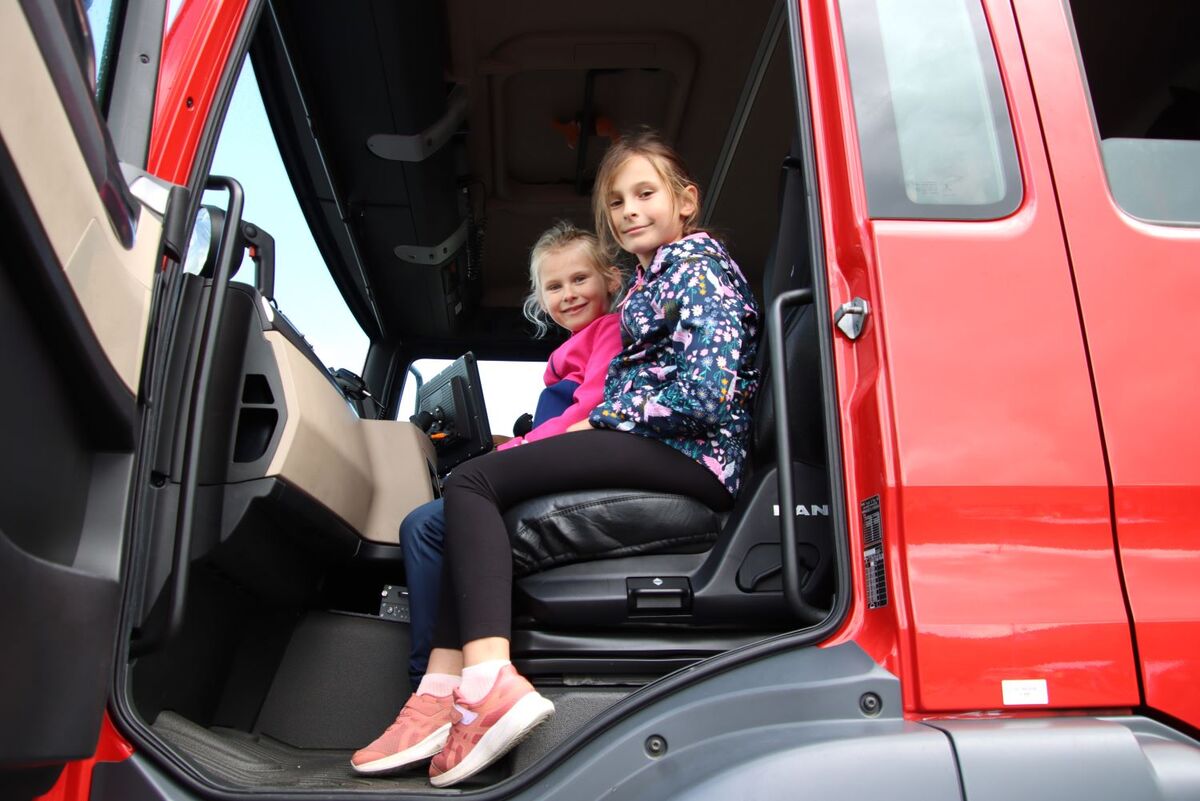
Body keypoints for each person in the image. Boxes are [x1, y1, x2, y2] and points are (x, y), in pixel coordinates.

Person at [359, 130, 760, 788]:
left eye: (645, 193)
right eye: (617, 201)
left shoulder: (698, 263)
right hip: (657, 443)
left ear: (685, 201)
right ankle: (439, 694)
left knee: (472, 482)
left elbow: (709, 395)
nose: (629, 210)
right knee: (468, 497)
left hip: (692, 455)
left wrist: (604, 420)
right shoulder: (650, 284)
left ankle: (487, 687)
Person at [353, 221, 624, 773]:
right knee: (430, 519)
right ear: (539, 298)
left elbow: (591, 413)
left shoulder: (611, 332)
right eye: (554, 286)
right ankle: (437, 691)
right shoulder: (570, 347)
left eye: (580, 279)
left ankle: (435, 693)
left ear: (610, 280)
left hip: (583, 464)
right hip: (558, 458)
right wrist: (512, 443)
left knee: (429, 524)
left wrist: (515, 451)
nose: (568, 294)